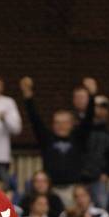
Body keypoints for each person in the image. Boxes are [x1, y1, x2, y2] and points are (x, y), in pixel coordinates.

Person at [19, 76, 96, 206]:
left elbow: (88, 120)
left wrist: (92, 96)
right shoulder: (47, 139)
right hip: (51, 190)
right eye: (57, 123)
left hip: (73, 190)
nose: (61, 126)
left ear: (71, 124)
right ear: (53, 125)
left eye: (65, 123)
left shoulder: (78, 138)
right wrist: (28, 97)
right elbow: (35, 120)